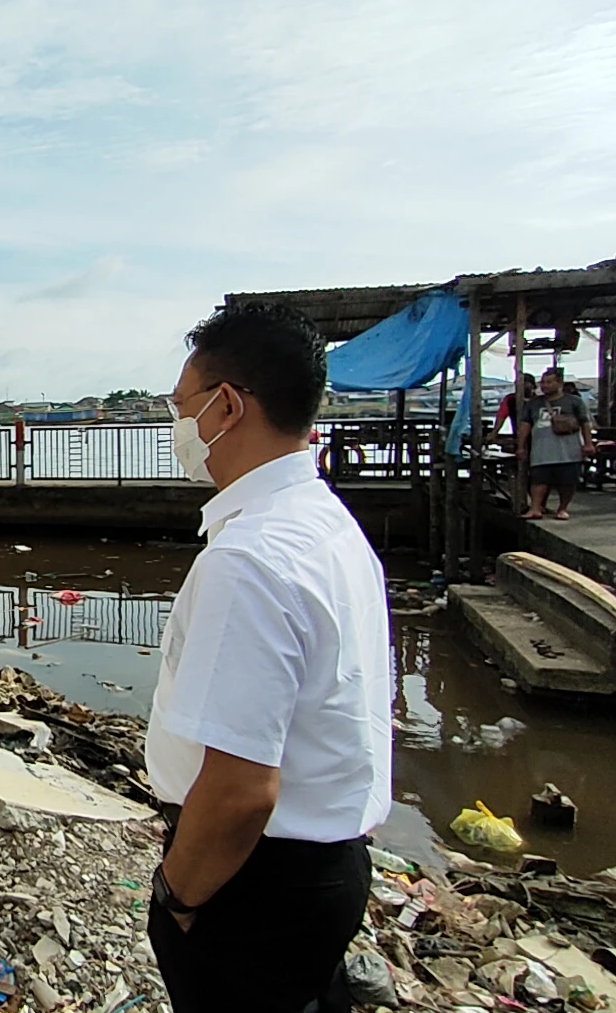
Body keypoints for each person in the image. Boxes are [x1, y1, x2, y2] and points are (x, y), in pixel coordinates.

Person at [145, 302, 390, 1013]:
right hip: (328, 864)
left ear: (226, 406)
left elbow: (243, 787)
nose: (177, 427)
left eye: (181, 406)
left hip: (255, 877)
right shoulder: (324, 522)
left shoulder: (249, 559)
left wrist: (178, 897)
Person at [518, 367, 595, 520]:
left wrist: (588, 443)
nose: (544, 386)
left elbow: (585, 423)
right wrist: (520, 446)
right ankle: (535, 508)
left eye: (549, 382)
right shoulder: (533, 404)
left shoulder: (574, 402)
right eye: (543, 382)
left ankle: (562, 508)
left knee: (567, 481)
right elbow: (525, 425)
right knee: (538, 479)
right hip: (541, 449)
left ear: (559, 383)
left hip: (568, 449)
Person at [491, 374, 537, 438]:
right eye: (519, 383)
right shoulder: (510, 399)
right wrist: (494, 432)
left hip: (538, 437)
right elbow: (501, 416)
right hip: (518, 437)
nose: (522, 385)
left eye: (526, 382)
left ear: (533, 385)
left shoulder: (539, 400)